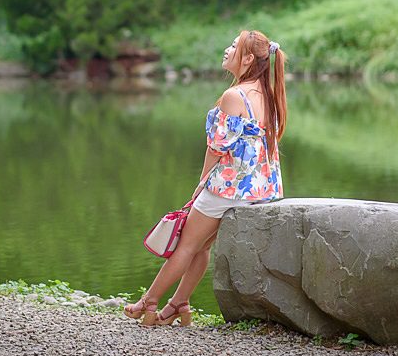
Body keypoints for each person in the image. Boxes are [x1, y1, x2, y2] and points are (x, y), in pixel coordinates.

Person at [123, 29, 287, 327]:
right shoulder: (268, 94)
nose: (227, 49)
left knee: (186, 245)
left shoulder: (233, 95)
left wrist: (201, 184)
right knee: (201, 246)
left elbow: (216, 148)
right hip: (259, 188)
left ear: (248, 58)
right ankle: (179, 304)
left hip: (227, 187)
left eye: (234, 46)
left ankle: (148, 302)